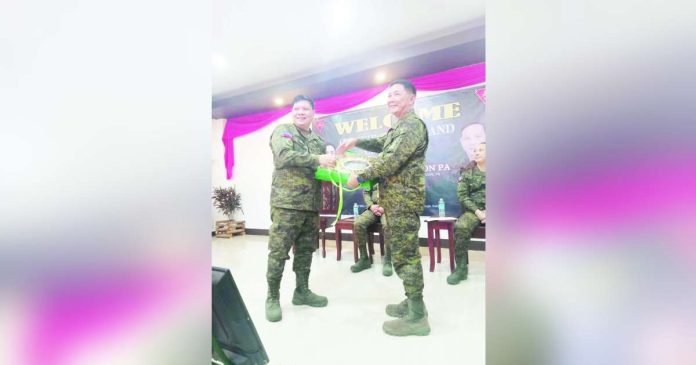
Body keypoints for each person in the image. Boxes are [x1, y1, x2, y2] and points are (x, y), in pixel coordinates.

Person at [338, 79, 430, 336]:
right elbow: (382, 143)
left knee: (405, 256)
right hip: (395, 201)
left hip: (403, 201)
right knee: (404, 253)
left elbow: (388, 162)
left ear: (412, 98)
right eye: (388, 95)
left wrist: (359, 176)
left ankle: (417, 318)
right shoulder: (399, 127)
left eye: (397, 94)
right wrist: (356, 141)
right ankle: (413, 303)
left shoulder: (412, 126)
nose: (391, 99)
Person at [265, 95, 337, 322]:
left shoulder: (317, 140)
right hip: (287, 204)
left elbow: (324, 167)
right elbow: (284, 156)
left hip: (310, 206)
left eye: (305, 109)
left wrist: (334, 160)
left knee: (306, 251)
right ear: (292, 111)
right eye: (297, 108)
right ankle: (272, 297)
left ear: (313, 112)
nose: (301, 112)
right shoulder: (283, 131)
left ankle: (302, 291)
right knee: (279, 251)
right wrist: (319, 158)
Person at [448, 142, 486, 285]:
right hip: (473, 210)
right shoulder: (467, 171)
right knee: (461, 227)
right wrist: (478, 211)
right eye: (475, 150)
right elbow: (463, 195)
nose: (477, 152)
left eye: (481, 150)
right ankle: (461, 269)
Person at [349, 184, 393, 276]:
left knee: (388, 226)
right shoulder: (372, 175)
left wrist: (384, 206)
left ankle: (388, 260)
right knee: (358, 223)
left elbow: (396, 193)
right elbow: (366, 192)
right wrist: (371, 206)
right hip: (373, 209)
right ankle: (364, 259)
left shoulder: (391, 174)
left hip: (388, 208)